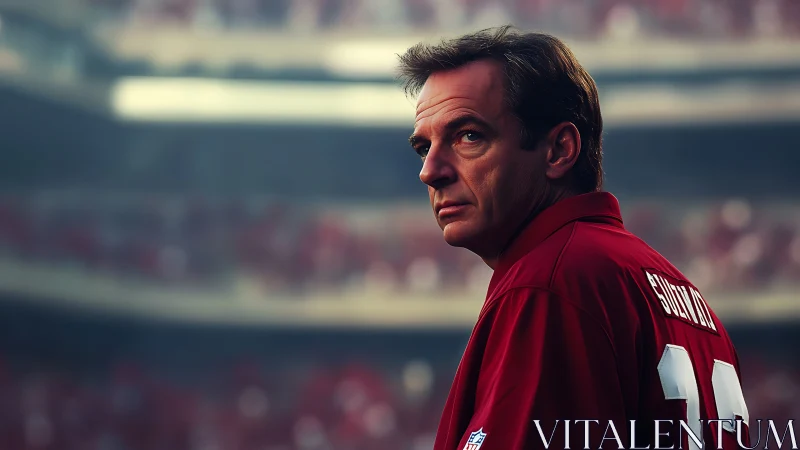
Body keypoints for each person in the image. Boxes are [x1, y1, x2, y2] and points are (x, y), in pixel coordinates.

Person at [397, 26, 750, 450]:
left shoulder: (551, 281)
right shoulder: (689, 298)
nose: (430, 171)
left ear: (559, 150)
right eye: (424, 147)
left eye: (468, 136)